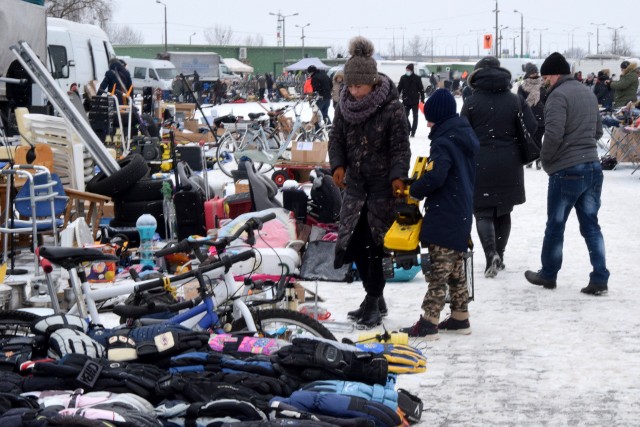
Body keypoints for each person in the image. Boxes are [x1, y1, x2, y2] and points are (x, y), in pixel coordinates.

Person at [329, 36, 410, 329]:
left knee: (374, 245)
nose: (353, 91)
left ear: (373, 83)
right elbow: (336, 137)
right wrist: (337, 165)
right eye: (350, 86)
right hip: (355, 186)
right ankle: (374, 297)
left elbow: (401, 147)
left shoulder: (392, 108)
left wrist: (398, 175)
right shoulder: (345, 106)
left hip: (381, 187)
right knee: (354, 244)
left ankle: (373, 301)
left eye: (359, 86)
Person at [525, 52, 609, 295]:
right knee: (591, 225)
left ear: (555, 74)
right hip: (593, 168)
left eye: (546, 77)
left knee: (556, 225)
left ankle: (548, 275)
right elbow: (598, 131)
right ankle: (600, 277)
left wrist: (547, 160)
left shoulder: (557, 97)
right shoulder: (587, 93)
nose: (545, 82)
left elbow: (552, 135)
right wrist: (583, 147)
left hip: (567, 171)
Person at [399, 89, 479, 340]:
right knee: (455, 269)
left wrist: (415, 189)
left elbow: (436, 176)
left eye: (430, 118)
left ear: (440, 117)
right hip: (462, 209)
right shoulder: (463, 136)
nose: (427, 123)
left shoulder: (444, 141)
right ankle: (460, 317)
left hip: (445, 212)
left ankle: (428, 322)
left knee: (438, 272)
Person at [461, 56, 537, 278]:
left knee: (482, 210)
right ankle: (500, 255)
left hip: (479, 161)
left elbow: (462, 133)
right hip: (509, 162)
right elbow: (531, 126)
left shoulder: (472, 102)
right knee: (504, 210)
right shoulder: (514, 100)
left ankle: (490, 254)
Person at [518, 63, 546, 170]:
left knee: (538, 139)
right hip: (529, 116)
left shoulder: (543, 85)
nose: (535, 74)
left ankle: (538, 159)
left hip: (542, 116)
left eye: (536, 72)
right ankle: (531, 158)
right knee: (530, 139)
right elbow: (520, 100)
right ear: (528, 73)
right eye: (532, 72)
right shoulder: (522, 86)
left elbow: (547, 99)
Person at [397, 63, 425, 137]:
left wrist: (422, 100)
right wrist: (395, 97)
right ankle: (408, 129)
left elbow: (421, 90)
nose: (407, 71)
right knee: (404, 116)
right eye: (406, 70)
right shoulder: (403, 78)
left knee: (415, 117)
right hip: (406, 101)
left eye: (408, 70)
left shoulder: (417, 78)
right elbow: (399, 88)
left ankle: (413, 132)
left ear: (412, 70)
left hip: (415, 101)